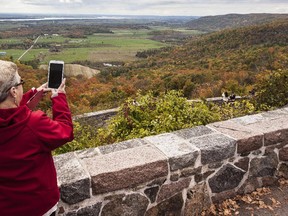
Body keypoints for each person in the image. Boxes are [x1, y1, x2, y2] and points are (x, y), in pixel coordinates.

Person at [0, 60, 74, 216]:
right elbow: (65, 131)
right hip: (37, 206)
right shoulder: (33, 124)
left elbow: (11, 113)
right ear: (13, 91)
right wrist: (59, 97)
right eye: (21, 83)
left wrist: (35, 93)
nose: (22, 86)